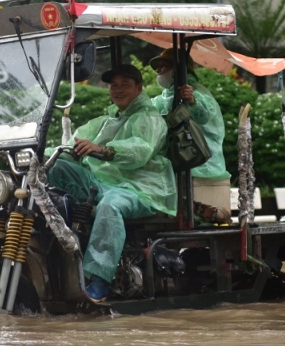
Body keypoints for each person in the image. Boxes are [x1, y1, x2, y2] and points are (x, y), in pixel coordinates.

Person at [48, 64, 176, 302]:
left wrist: (104, 150)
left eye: (125, 85)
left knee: (110, 206)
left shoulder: (149, 118)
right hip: (103, 183)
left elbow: (140, 150)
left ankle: (100, 279)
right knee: (55, 166)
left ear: (138, 88)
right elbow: (69, 145)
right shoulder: (105, 122)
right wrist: (41, 154)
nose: (118, 89)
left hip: (140, 189)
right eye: (113, 85)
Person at [149, 48, 230, 210]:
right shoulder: (166, 96)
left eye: (163, 65)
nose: (158, 70)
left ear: (178, 68)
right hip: (179, 169)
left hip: (200, 168)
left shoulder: (198, 93)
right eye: (157, 67)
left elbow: (204, 115)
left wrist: (192, 101)